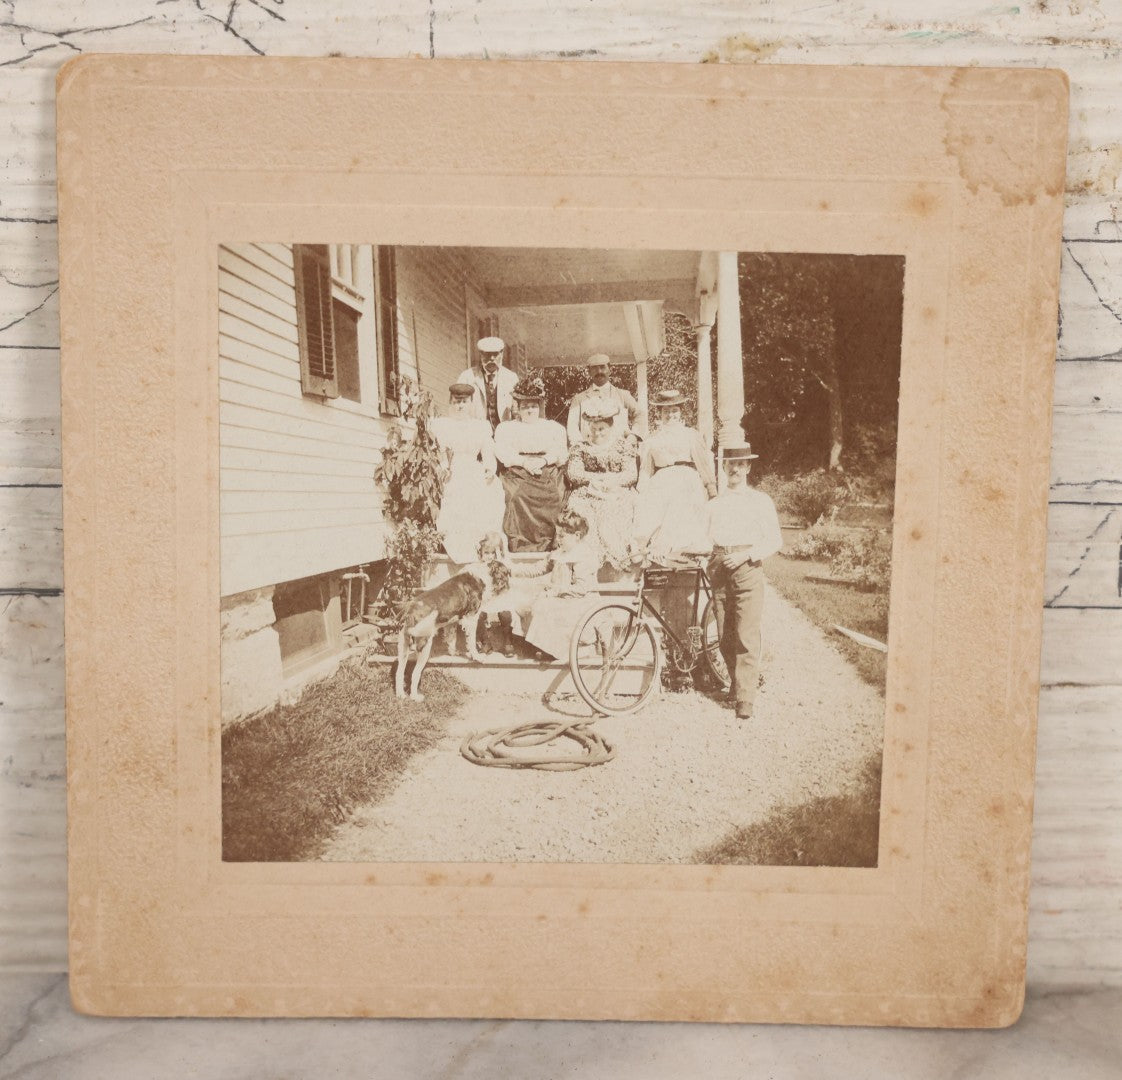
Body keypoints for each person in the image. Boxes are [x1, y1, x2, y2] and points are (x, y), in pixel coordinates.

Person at [704, 443, 783, 720]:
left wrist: (744, 556)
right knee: (725, 634)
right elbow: (704, 538)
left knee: (746, 633)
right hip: (718, 568)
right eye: (730, 464)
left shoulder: (760, 501)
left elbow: (774, 540)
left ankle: (745, 699)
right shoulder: (714, 504)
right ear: (724, 467)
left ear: (748, 467)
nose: (734, 469)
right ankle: (737, 685)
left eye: (740, 464)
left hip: (747, 567)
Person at [632, 389, 717, 560]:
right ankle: (642, 549)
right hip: (661, 479)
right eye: (666, 411)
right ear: (660, 413)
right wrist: (641, 491)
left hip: (687, 478)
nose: (670, 415)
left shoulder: (691, 435)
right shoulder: (652, 439)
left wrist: (711, 487)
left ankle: (671, 548)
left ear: (680, 412)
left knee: (679, 502)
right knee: (648, 507)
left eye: (674, 410)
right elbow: (646, 469)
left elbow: (703, 464)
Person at [430, 383, 506, 564]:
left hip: (473, 469)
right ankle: (460, 550)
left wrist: (489, 467)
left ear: (471, 403)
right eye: (456, 402)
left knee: (488, 492)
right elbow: (438, 450)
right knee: (455, 498)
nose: (460, 406)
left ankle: (482, 548)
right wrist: (443, 466)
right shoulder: (442, 425)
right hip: (451, 469)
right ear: (451, 402)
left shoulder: (480, 426)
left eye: (464, 402)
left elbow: (488, 449)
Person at [494, 375, 569, 552]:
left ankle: (551, 543)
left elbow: (560, 452)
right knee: (514, 496)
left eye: (533, 406)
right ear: (518, 409)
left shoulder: (551, 427)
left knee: (555, 497)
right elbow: (503, 452)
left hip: (547, 469)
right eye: (525, 407)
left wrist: (543, 460)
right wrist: (524, 462)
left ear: (539, 407)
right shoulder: (507, 428)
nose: (529, 410)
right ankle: (521, 546)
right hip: (517, 470)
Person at [565, 398, 639, 573]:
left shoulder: (622, 446)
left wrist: (610, 480)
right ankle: (587, 563)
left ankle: (617, 558)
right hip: (587, 492)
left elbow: (631, 474)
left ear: (611, 427)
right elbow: (574, 473)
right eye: (594, 429)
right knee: (583, 512)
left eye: (602, 429)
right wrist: (594, 480)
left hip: (616, 491)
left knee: (613, 512)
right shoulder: (580, 448)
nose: (597, 433)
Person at [522, 509, 600, 660]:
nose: (558, 539)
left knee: (544, 605)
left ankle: (570, 649)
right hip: (563, 599)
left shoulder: (583, 556)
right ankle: (545, 646)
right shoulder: (560, 553)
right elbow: (539, 568)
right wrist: (511, 570)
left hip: (580, 603)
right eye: (557, 535)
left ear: (577, 536)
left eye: (562, 536)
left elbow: (581, 589)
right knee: (532, 601)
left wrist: (555, 592)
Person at [565, 353, 642, 444]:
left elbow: (640, 414)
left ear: (610, 370)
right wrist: (579, 445)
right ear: (589, 372)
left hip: (619, 451)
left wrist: (633, 435)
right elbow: (572, 426)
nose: (599, 371)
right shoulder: (579, 399)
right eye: (594, 368)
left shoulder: (623, 395)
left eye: (602, 367)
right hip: (589, 451)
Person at [453, 336, 520, 431]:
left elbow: (517, 411)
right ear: (481, 355)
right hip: (476, 433)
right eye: (488, 354)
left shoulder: (511, 378)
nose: (492, 358)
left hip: (504, 434)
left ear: (502, 354)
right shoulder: (467, 377)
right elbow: (457, 407)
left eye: (495, 354)